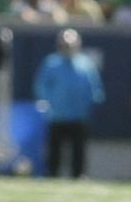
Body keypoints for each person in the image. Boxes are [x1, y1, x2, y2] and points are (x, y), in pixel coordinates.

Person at [33, 28, 104, 178]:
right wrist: (48, 104)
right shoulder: (51, 63)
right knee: (54, 152)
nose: (67, 48)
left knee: (79, 151)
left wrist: (90, 103)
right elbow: (41, 86)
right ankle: (52, 175)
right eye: (64, 44)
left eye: (70, 45)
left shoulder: (86, 64)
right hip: (57, 116)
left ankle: (78, 176)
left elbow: (95, 88)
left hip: (79, 116)